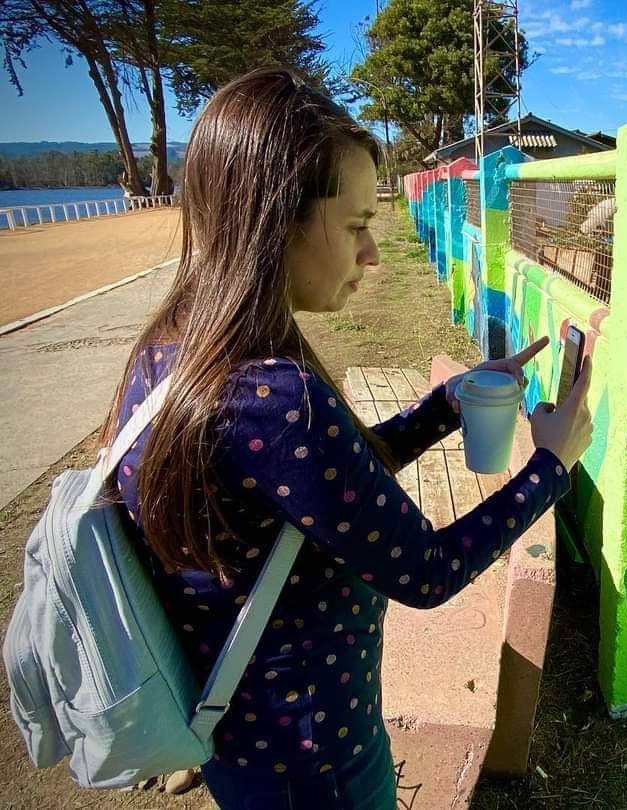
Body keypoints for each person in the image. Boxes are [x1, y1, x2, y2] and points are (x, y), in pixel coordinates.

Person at [100, 66, 593, 809]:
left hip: (237, 737)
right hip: (317, 762)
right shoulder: (275, 397)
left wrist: (445, 405)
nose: (372, 254)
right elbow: (426, 571)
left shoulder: (172, 355)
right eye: (358, 225)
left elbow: (325, 489)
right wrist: (552, 465)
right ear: (277, 218)